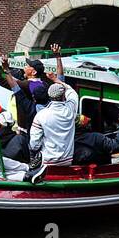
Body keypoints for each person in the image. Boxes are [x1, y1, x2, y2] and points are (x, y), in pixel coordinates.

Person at [28, 46, 78, 183]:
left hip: (47, 161)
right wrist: (56, 80)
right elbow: (71, 90)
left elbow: (34, 143)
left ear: (50, 96)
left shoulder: (41, 115)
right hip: (68, 160)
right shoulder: (71, 108)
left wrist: (34, 154)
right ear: (63, 97)